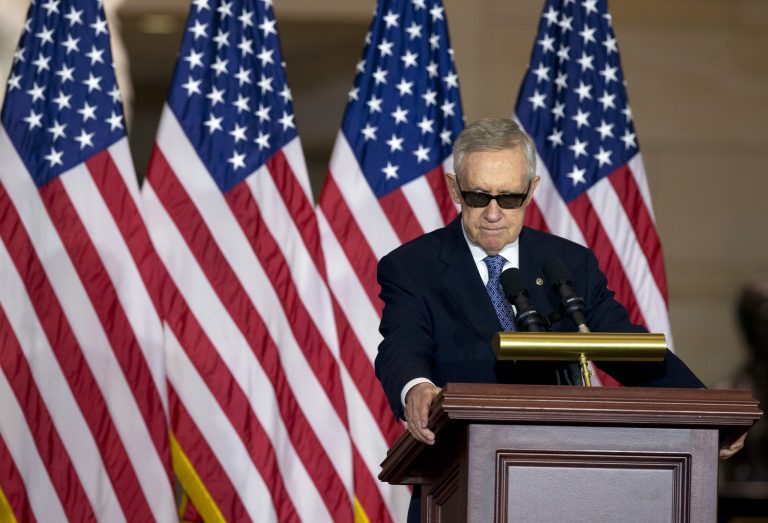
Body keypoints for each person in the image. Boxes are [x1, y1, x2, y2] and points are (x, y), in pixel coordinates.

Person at [373, 118, 741, 521]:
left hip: (561, 488)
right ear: (453, 189)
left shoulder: (567, 265)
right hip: (458, 489)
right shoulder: (413, 266)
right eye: (479, 197)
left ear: (531, 190)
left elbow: (625, 346)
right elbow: (401, 344)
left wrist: (706, 413)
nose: (494, 213)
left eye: (509, 198)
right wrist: (417, 388)